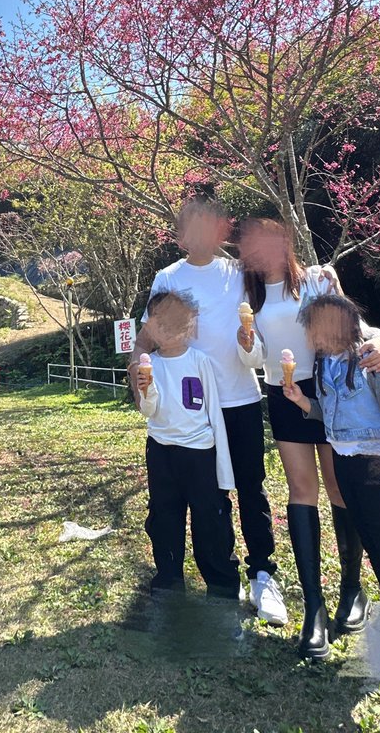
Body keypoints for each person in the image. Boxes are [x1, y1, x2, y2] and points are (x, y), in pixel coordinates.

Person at [234, 217, 380, 657]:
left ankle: (352, 590)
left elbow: (359, 330)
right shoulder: (250, 297)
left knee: (339, 488)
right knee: (302, 491)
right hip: (284, 395)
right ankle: (314, 609)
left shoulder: (319, 279)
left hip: (330, 389)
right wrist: (246, 342)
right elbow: (256, 358)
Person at [129, 197, 287, 624]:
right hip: (191, 415)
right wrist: (139, 377)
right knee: (206, 497)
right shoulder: (168, 277)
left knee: (251, 489)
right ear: (180, 235)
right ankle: (214, 578)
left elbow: (269, 321)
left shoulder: (241, 274)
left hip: (239, 400)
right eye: (191, 226)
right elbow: (146, 340)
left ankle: (263, 575)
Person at [284, 294, 380, 629]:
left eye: (315, 328)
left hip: (375, 461)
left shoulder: (370, 361)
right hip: (343, 461)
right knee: (369, 538)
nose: (311, 337)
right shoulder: (324, 365)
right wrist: (302, 401)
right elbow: (327, 413)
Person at [137, 290, 241, 599]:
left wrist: (223, 467)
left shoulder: (200, 361)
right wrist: (147, 389)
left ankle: (221, 584)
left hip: (200, 452)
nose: (164, 330)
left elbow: (214, 413)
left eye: (173, 323)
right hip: (160, 450)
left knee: (210, 516)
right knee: (164, 515)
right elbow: (149, 410)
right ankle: (168, 579)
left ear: (188, 326)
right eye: (158, 323)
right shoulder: (150, 364)